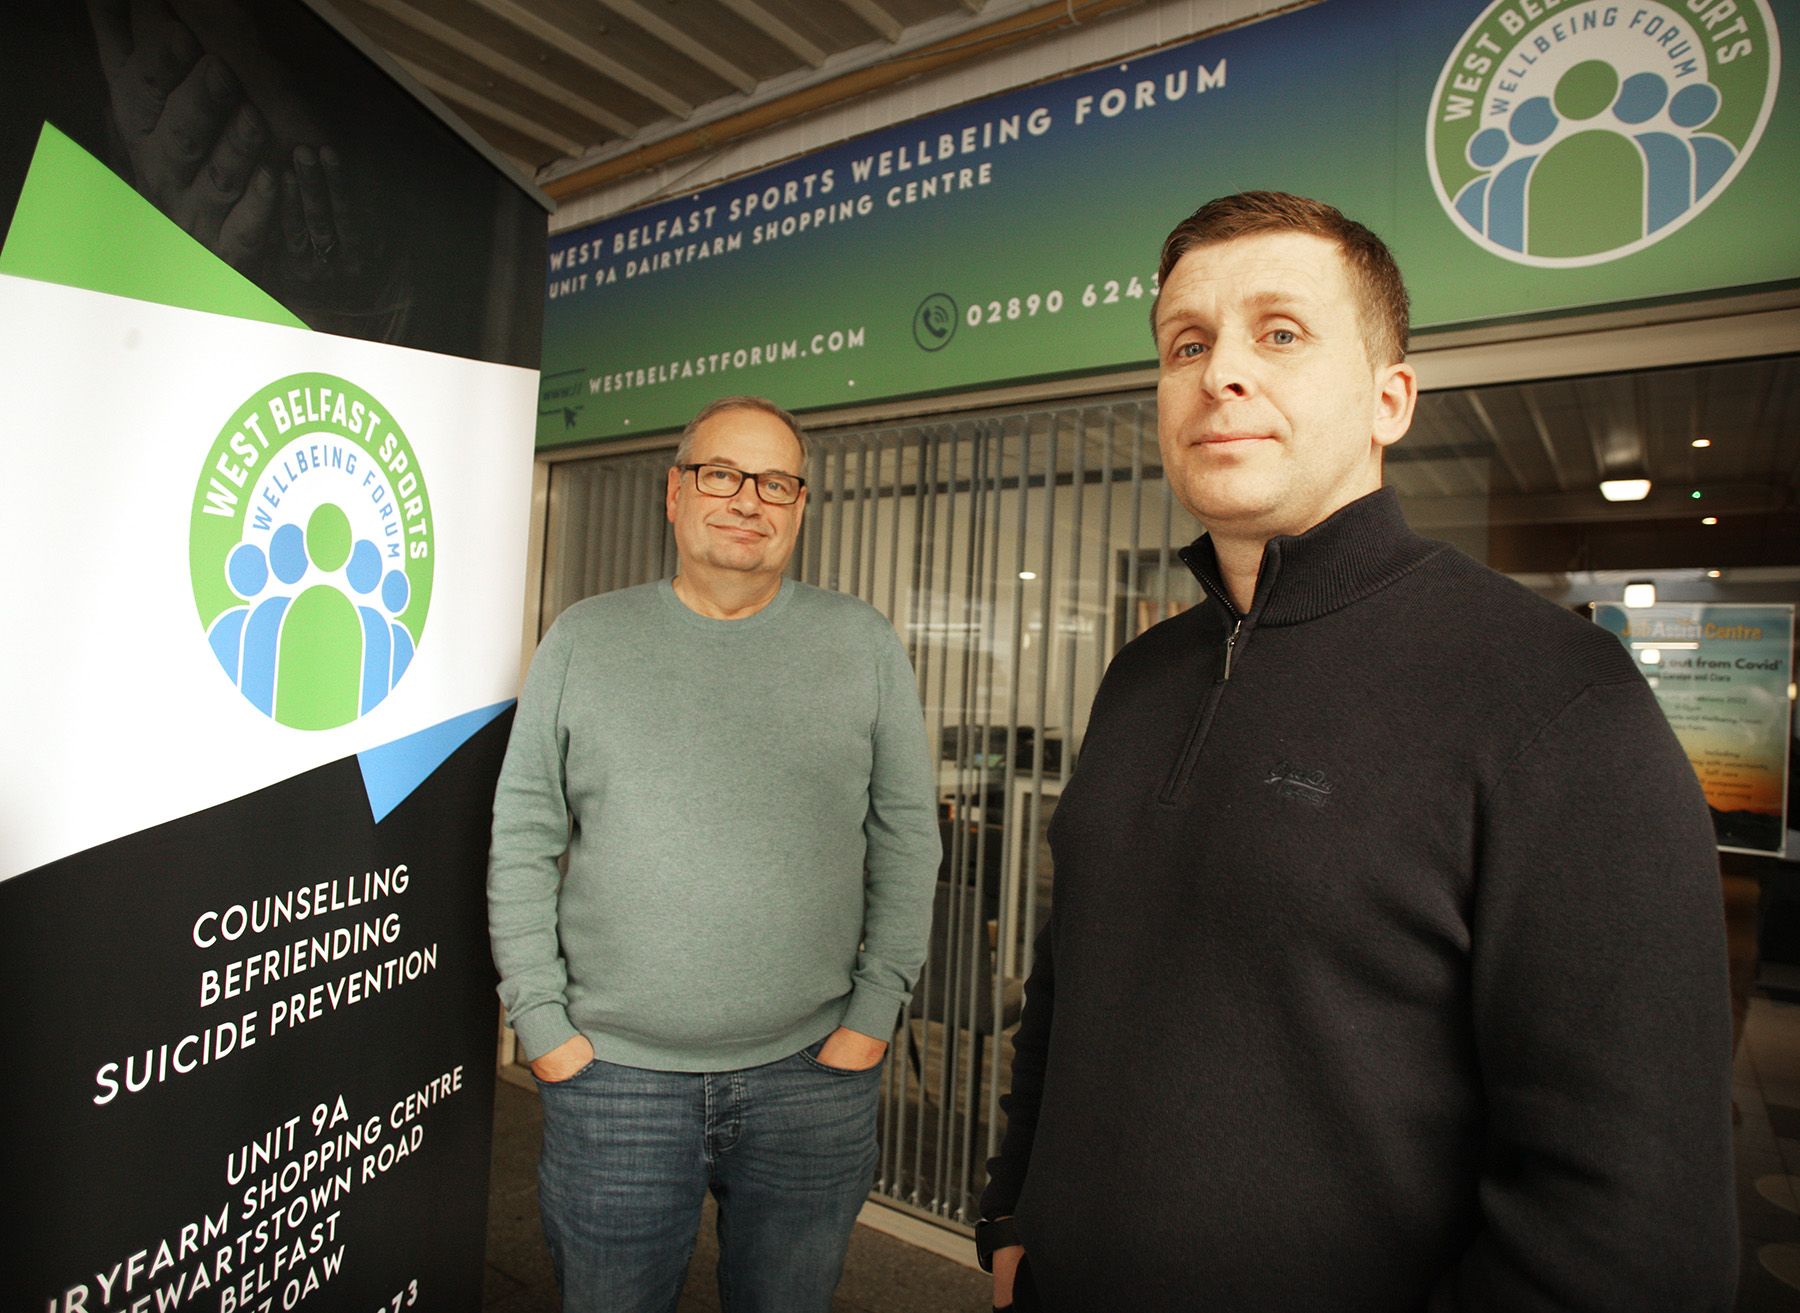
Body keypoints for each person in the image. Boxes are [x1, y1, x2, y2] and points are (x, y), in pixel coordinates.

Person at [977, 192, 1737, 1310]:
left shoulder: (1556, 698)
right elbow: (1069, 980)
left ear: (1391, 399)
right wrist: (1012, 1213)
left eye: (1279, 333)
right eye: (1187, 342)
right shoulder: (1141, 676)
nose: (1220, 370)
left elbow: (1631, 1223)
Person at [488, 395, 940, 1312]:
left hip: (812, 1075)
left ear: (801, 506)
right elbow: (523, 833)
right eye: (722, 474)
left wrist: (875, 1012)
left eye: (777, 482)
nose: (749, 500)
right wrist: (542, 1023)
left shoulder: (860, 643)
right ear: (675, 491)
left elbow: (906, 834)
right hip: (613, 1077)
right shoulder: (585, 636)